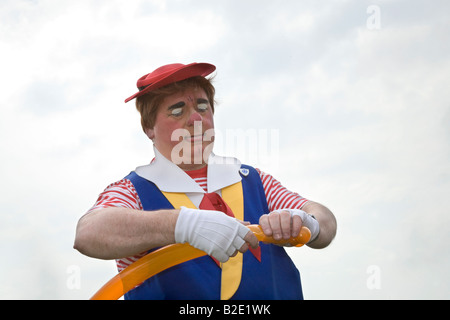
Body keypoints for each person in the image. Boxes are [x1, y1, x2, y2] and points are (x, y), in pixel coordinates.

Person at [74, 62, 337, 300]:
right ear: (149, 128)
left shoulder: (253, 180)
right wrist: (184, 225)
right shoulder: (132, 191)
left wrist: (306, 223)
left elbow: (325, 220)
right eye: (177, 111)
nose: (196, 119)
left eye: (202, 107)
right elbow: (89, 233)